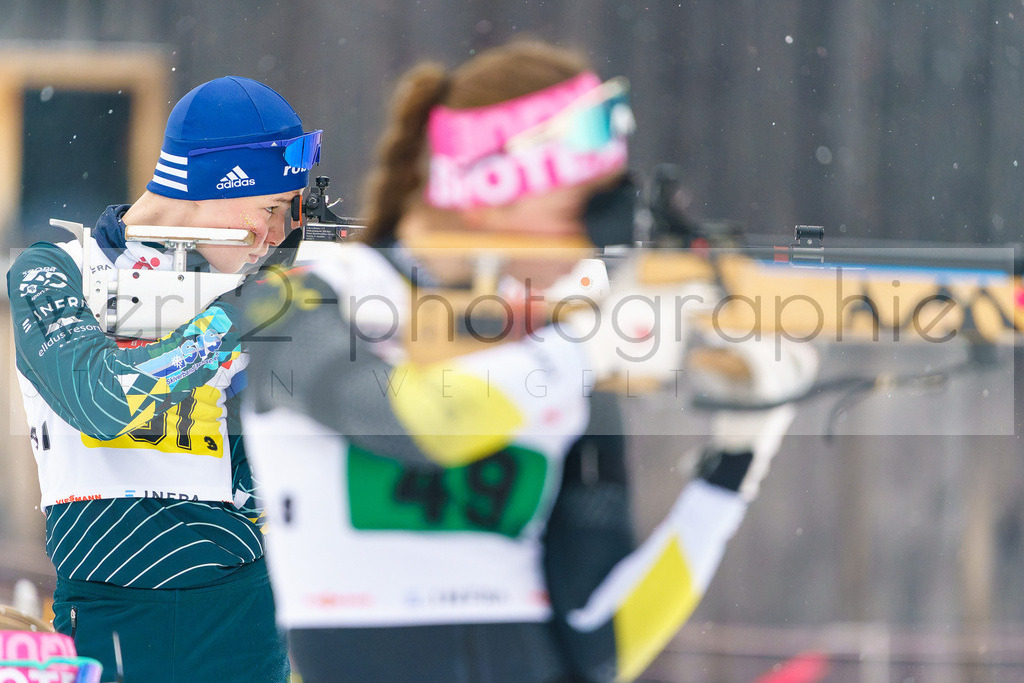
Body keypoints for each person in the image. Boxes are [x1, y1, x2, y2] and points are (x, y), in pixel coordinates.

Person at [235, 39, 818, 682]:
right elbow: (419, 425)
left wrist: (737, 461)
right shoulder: (299, 299)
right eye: (585, 202)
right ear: (496, 190)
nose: (603, 235)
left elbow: (599, 646)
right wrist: (583, 351)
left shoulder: (553, 347)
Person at [7, 75, 322, 681]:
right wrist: (236, 315)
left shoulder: (273, 286)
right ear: (213, 186)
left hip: (247, 613)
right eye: (271, 209)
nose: (279, 234)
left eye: (293, 213)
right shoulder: (55, 271)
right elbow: (103, 400)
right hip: (110, 609)